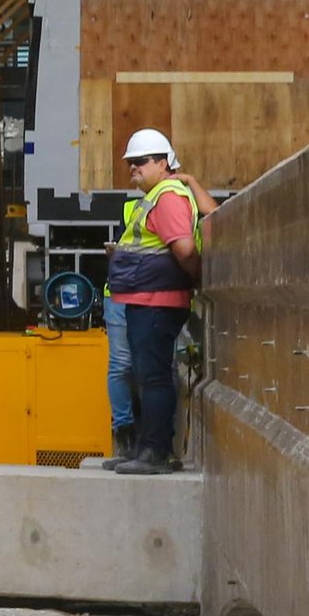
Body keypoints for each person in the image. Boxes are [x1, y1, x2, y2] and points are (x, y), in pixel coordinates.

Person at [107, 128, 203, 475]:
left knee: (154, 377)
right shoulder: (158, 196)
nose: (133, 168)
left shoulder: (167, 197)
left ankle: (155, 452)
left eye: (140, 161)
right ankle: (148, 448)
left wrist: (192, 275)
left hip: (157, 301)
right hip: (146, 299)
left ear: (163, 163)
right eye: (131, 163)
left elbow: (185, 248)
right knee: (148, 376)